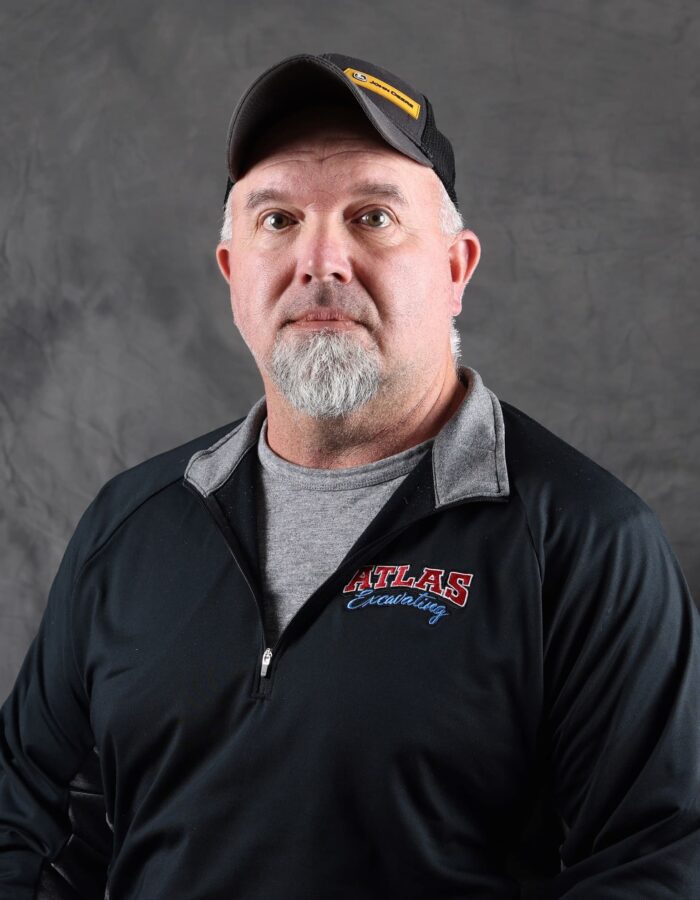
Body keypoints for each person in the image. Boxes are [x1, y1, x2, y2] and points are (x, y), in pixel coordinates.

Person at [1, 51, 698, 900]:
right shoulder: (133, 526)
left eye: (371, 216)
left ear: (455, 269)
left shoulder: (583, 543)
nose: (319, 261)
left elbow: (656, 864)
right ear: (233, 275)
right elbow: (30, 823)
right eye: (277, 220)